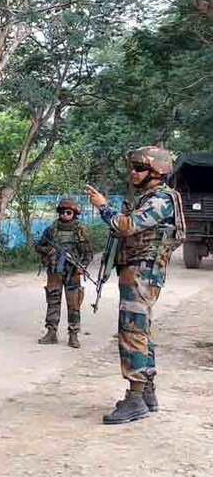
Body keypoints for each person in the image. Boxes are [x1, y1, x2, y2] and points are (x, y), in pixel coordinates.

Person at [86, 146, 185, 425]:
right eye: (133, 166)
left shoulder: (161, 199)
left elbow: (125, 226)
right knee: (141, 331)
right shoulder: (152, 197)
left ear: (158, 171)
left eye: (140, 168)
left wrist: (103, 206)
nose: (133, 172)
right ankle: (147, 394)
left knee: (132, 332)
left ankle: (135, 399)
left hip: (141, 273)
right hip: (139, 271)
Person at [33, 198, 93, 348]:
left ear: (74, 214)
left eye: (69, 212)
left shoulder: (79, 231)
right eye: (63, 212)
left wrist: (82, 266)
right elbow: (38, 246)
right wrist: (49, 250)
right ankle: (51, 332)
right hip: (54, 272)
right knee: (53, 301)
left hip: (72, 272)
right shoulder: (51, 230)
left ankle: (73, 335)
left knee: (74, 304)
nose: (66, 215)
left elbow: (88, 254)